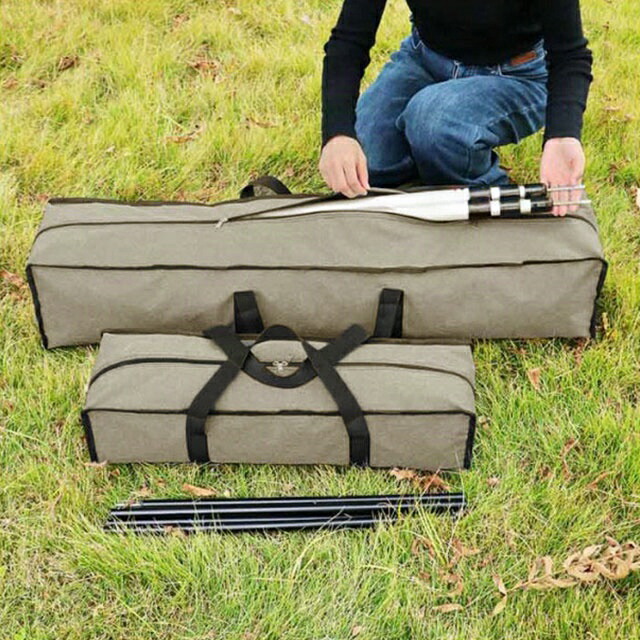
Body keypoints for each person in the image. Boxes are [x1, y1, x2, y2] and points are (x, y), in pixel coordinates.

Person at [318, 0, 593, 216]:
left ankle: (484, 186)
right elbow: (349, 40)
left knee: (431, 121)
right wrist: (337, 133)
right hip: (426, 58)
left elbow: (570, 55)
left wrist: (563, 135)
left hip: (518, 73)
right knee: (367, 161)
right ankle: (434, 161)